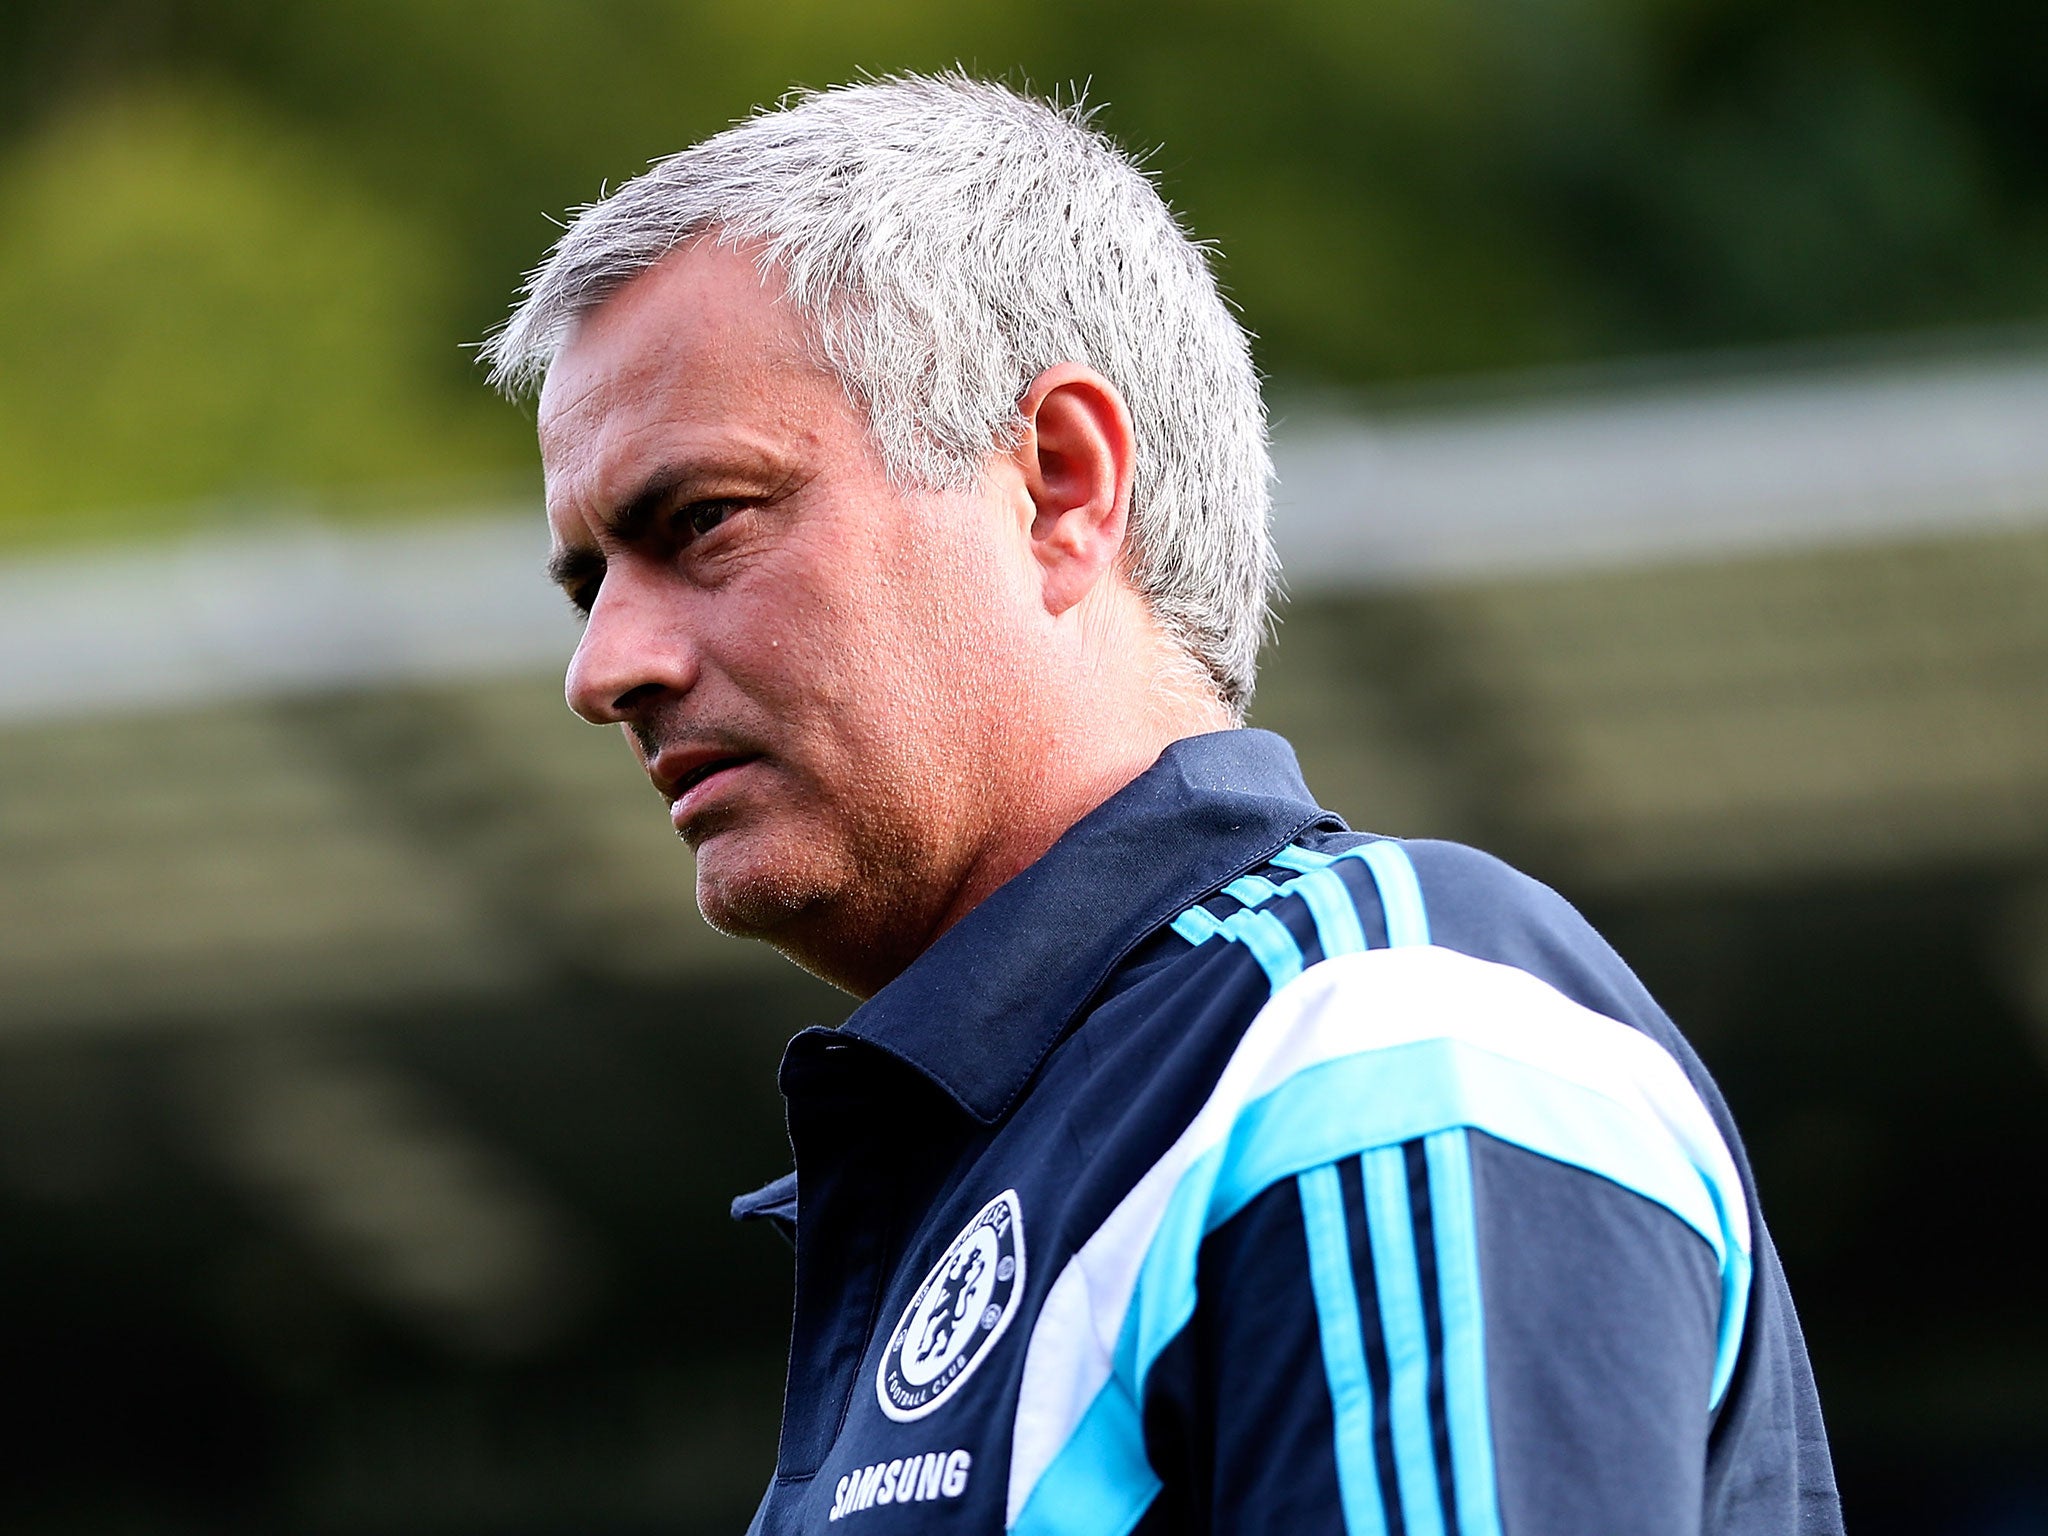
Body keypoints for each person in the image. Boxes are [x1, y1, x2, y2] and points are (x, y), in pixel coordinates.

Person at [483, 72, 1841, 1536]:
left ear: (1062, 484)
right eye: (588, 586)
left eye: (705, 522)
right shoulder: (1001, 1170)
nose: (605, 667)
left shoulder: (1377, 1035)